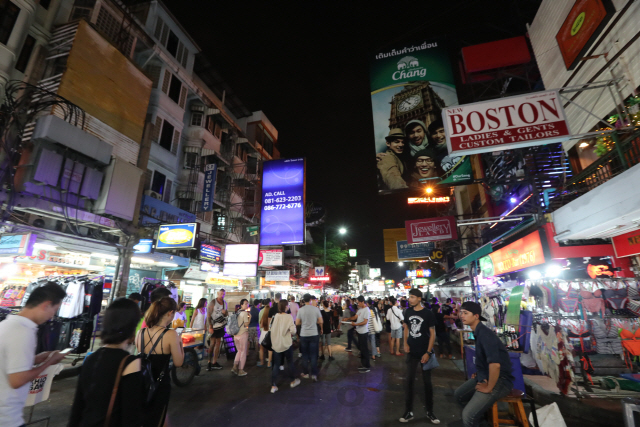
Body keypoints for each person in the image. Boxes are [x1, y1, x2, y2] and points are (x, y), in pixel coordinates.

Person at [0, 283, 67, 427]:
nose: (52, 316)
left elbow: (6, 362)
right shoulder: (22, 332)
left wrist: (36, 359)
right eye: (54, 310)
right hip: (7, 419)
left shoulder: (8, 324)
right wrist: (49, 362)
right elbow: (17, 380)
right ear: (46, 305)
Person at [69, 298, 144, 426]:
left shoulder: (91, 358)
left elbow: (77, 409)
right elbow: (131, 416)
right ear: (132, 327)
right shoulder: (129, 363)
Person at [454, 302, 514, 427]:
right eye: (461, 312)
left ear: (476, 316)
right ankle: (480, 422)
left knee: (468, 415)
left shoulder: (485, 334)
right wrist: (480, 373)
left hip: (500, 380)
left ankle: (472, 420)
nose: (461, 316)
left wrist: (489, 387)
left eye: (465, 313)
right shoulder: (478, 332)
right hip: (485, 375)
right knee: (459, 395)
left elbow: (495, 365)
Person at [135, 297, 184, 427]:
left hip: (142, 381)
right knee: (159, 416)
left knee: (147, 416)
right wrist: (180, 343)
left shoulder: (141, 332)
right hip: (160, 384)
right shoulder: (171, 334)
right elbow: (178, 362)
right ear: (170, 313)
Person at [400, 289, 439, 424]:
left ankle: (430, 411)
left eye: (412, 297)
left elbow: (432, 334)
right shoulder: (408, 312)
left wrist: (428, 352)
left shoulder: (428, 313)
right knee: (409, 382)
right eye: (409, 297)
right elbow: (406, 328)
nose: (409, 299)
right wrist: (405, 343)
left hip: (424, 353)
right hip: (412, 352)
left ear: (419, 299)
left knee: (427, 383)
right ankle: (408, 412)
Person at [270, 300, 301, 393]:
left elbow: (271, 328)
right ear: (286, 307)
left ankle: (273, 386)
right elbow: (293, 331)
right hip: (286, 344)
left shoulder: (275, 316)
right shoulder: (289, 317)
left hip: (276, 344)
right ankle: (292, 381)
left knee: (276, 365)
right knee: (290, 363)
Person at [296, 294, 322, 381]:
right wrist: (314, 322)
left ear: (303, 300)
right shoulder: (316, 309)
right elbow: (320, 321)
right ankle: (314, 374)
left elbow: (297, 323)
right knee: (314, 355)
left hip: (304, 334)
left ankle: (306, 373)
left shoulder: (301, 310)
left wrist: (304, 323)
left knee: (305, 355)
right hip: (314, 334)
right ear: (310, 300)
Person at [347, 295, 371, 373]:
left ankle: (366, 366)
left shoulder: (366, 310)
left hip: (364, 332)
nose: (357, 304)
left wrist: (356, 324)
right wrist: (347, 319)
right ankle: (363, 364)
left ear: (362, 302)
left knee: (364, 349)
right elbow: (355, 317)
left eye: (358, 303)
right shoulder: (360, 309)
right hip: (359, 332)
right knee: (361, 349)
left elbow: (365, 322)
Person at [206, 289, 228, 371]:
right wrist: (210, 326)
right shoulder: (213, 302)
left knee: (218, 344)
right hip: (214, 326)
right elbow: (208, 315)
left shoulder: (225, 303)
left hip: (221, 326)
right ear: (218, 293)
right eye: (221, 293)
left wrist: (224, 312)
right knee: (212, 344)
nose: (222, 295)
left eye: (223, 294)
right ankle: (209, 362)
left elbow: (227, 313)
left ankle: (214, 362)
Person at [232, 299, 251, 376]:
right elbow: (246, 324)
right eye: (245, 304)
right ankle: (240, 370)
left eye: (247, 304)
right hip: (243, 334)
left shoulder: (237, 312)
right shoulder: (244, 313)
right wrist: (250, 317)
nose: (247, 305)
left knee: (239, 351)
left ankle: (234, 367)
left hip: (236, 335)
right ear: (241, 305)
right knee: (243, 352)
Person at [258, 299, 273, 367]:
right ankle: (269, 363)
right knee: (270, 349)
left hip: (263, 332)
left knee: (261, 348)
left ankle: (261, 362)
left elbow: (261, 325)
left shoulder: (261, 312)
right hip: (270, 333)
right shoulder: (272, 313)